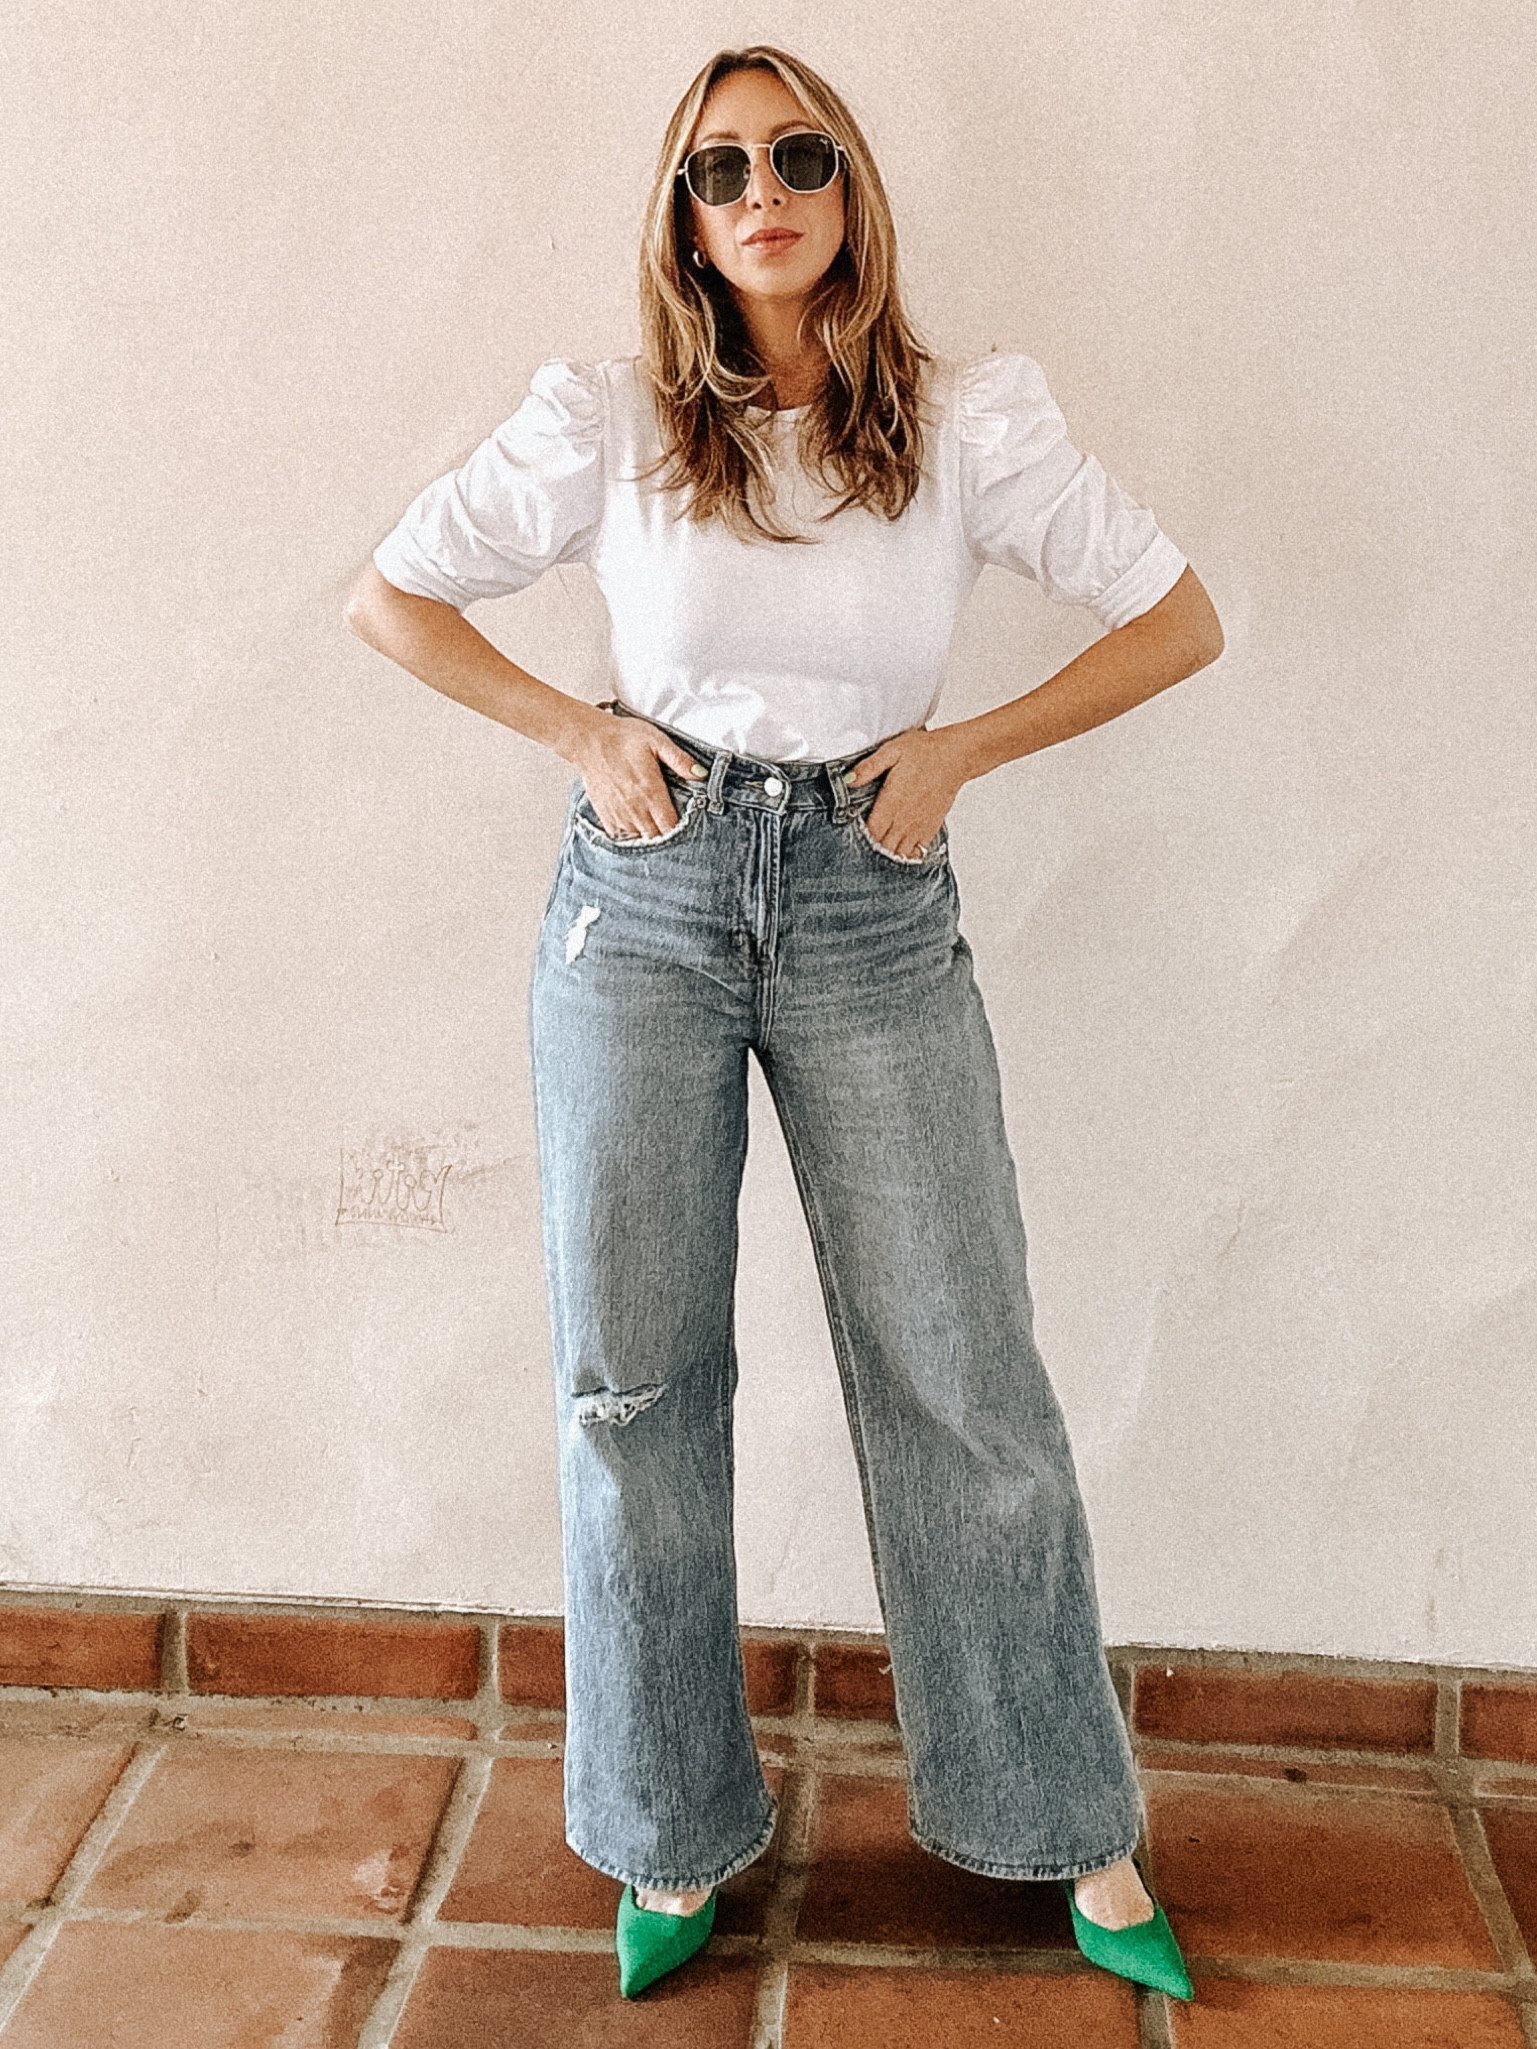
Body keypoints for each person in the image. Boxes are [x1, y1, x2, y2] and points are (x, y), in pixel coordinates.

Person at [346, 43, 1223, 2006]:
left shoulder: (966, 423)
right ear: (681, 211)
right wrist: (576, 730)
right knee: (633, 1382)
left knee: (962, 1367)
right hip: (642, 906)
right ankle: (666, 1822)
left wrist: (961, 750)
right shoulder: (606, 421)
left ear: (848, 190)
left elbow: (1176, 614)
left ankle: (1061, 1816)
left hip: (867, 901)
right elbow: (392, 597)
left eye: (798, 155)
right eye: (720, 164)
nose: (762, 189)